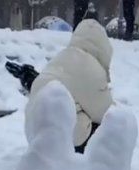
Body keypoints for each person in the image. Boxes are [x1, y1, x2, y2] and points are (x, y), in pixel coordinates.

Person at [26, 19, 114, 154]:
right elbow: (106, 113)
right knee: (109, 128)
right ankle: (93, 166)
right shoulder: (91, 68)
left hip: (33, 134)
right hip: (64, 140)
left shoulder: (61, 57)